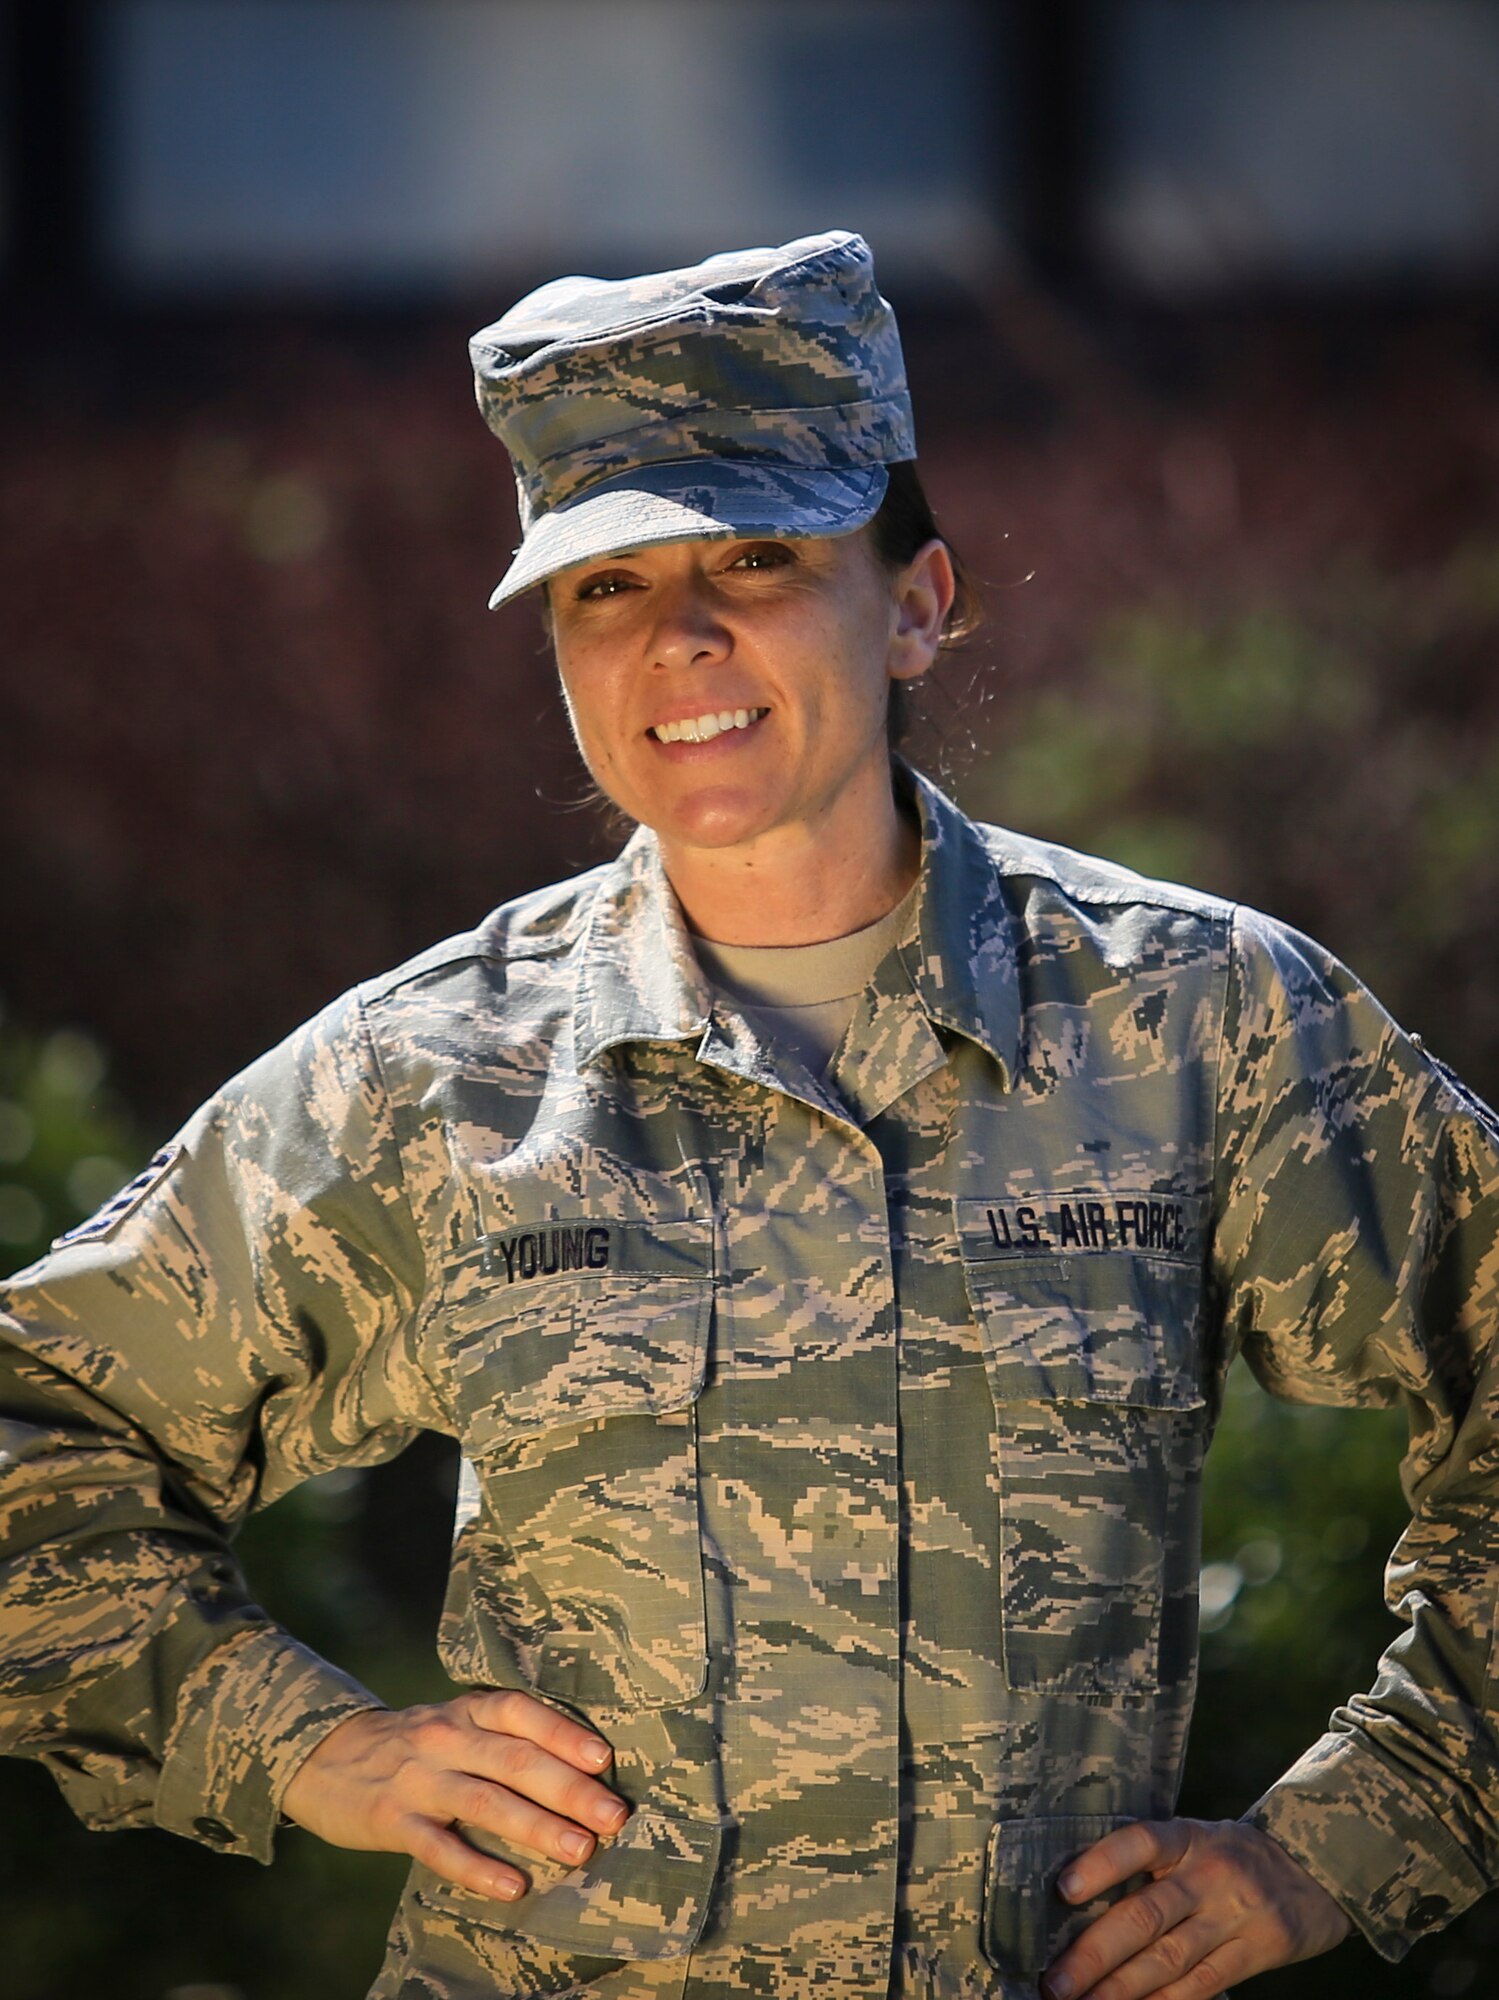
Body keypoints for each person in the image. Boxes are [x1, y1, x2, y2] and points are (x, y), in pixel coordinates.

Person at [0, 228, 1495, 2000]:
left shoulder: (1194, 1025)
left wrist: (1355, 1835)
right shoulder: (430, 1081)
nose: (679, 637)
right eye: (605, 588)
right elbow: (39, 1433)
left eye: (761, 558)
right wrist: (308, 1748)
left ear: (921, 601)